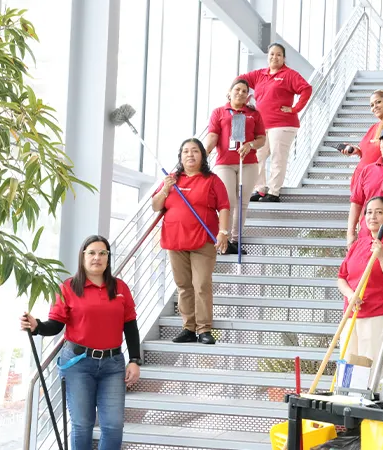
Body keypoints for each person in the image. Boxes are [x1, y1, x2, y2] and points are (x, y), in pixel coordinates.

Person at [20, 235, 141, 450]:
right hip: (78, 364)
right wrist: (37, 326)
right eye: (91, 253)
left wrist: (134, 360)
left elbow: (130, 325)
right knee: (82, 425)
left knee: (113, 426)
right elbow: (56, 325)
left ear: (108, 258)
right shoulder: (68, 287)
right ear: (82, 256)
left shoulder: (120, 288)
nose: (97, 258)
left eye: (102, 253)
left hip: (112, 365)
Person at [151, 138, 230, 344]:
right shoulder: (171, 179)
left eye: (195, 151)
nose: (190, 155)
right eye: (185, 151)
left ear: (202, 155)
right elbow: (156, 206)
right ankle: (188, 328)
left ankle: (204, 329)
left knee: (201, 284)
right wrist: (165, 189)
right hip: (175, 240)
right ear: (180, 156)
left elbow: (224, 206)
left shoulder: (212, 180)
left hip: (203, 240)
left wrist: (223, 232)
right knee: (184, 286)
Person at [337, 196, 383, 363]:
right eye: (369, 212)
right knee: (347, 368)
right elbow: (341, 278)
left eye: (379, 212)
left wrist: (382, 257)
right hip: (350, 314)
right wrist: (350, 295)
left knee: (370, 369)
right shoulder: (358, 244)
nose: (373, 217)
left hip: (375, 318)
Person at [239, 42, 312, 202]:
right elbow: (241, 79)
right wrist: (234, 93)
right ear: (268, 57)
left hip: (282, 124)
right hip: (262, 125)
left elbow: (306, 89)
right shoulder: (260, 74)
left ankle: (274, 192)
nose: (275, 57)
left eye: (279, 54)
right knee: (257, 156)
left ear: (284, 58)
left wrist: (295, 108)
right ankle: (260, 189)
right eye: (272, 54)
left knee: (278, 158)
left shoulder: (289, 75)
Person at [205, 79, 267, 255]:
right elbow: (213, 136)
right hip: (224, 163)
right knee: (228, 201)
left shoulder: (254, 114)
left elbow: (262, 139)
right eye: (237, 89)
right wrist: (204, 152)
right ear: (230, 92)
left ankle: (236, 240)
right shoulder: (219, 112)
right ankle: (223, 239)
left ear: (247, 96)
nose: (240, 93)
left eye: (244, 91)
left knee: (242, 202)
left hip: (248, 163)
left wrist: (250, 145)